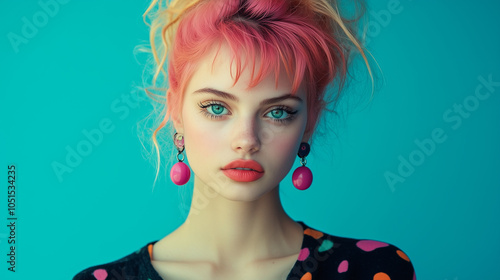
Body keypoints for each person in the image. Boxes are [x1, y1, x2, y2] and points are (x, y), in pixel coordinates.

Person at [74, 0, 416, 279]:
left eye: (278, 112)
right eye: (217, 107)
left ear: (310, 121)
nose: (246, 140)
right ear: (176, 110)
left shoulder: (374, 271)